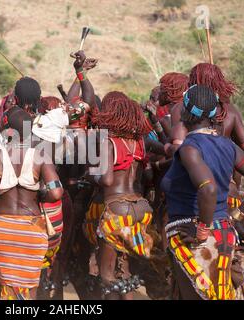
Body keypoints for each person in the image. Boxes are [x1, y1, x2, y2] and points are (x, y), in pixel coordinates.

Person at [161, 84, 244, 300]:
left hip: (196, 239)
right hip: (224, 234)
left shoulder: (189, 148)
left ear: (185, 112)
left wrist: (202, 229)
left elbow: (208, 188)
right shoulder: (227, 146)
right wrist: (236, 215)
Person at [0, 107, 63, 300]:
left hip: (1, 229)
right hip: (31, 229)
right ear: (30, 129)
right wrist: (41, 197)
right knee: (30, 288)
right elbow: (56, 192)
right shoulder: (41, 157)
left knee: (4, 286)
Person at [90, 91, 155, 300]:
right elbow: (148, 175)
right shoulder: (139, 143)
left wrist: (93, 173)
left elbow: (107, 180)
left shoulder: (110, 142)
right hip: (141, 209)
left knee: (107, 277)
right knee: (125, 272)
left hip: (117, 210)